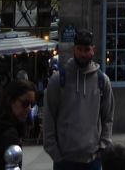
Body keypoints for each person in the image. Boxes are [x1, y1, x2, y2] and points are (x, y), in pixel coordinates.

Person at [42, 29, 114, 170]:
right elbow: (49, 116)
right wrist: (54, 152)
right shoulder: (58, 80)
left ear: (93, 50)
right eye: (79, 49)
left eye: (86, 49)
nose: (82, 54)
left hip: (92, 160)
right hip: (64, 160)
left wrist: (102, 147)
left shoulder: (102, 81)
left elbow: (108, 117)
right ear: (74, 49)